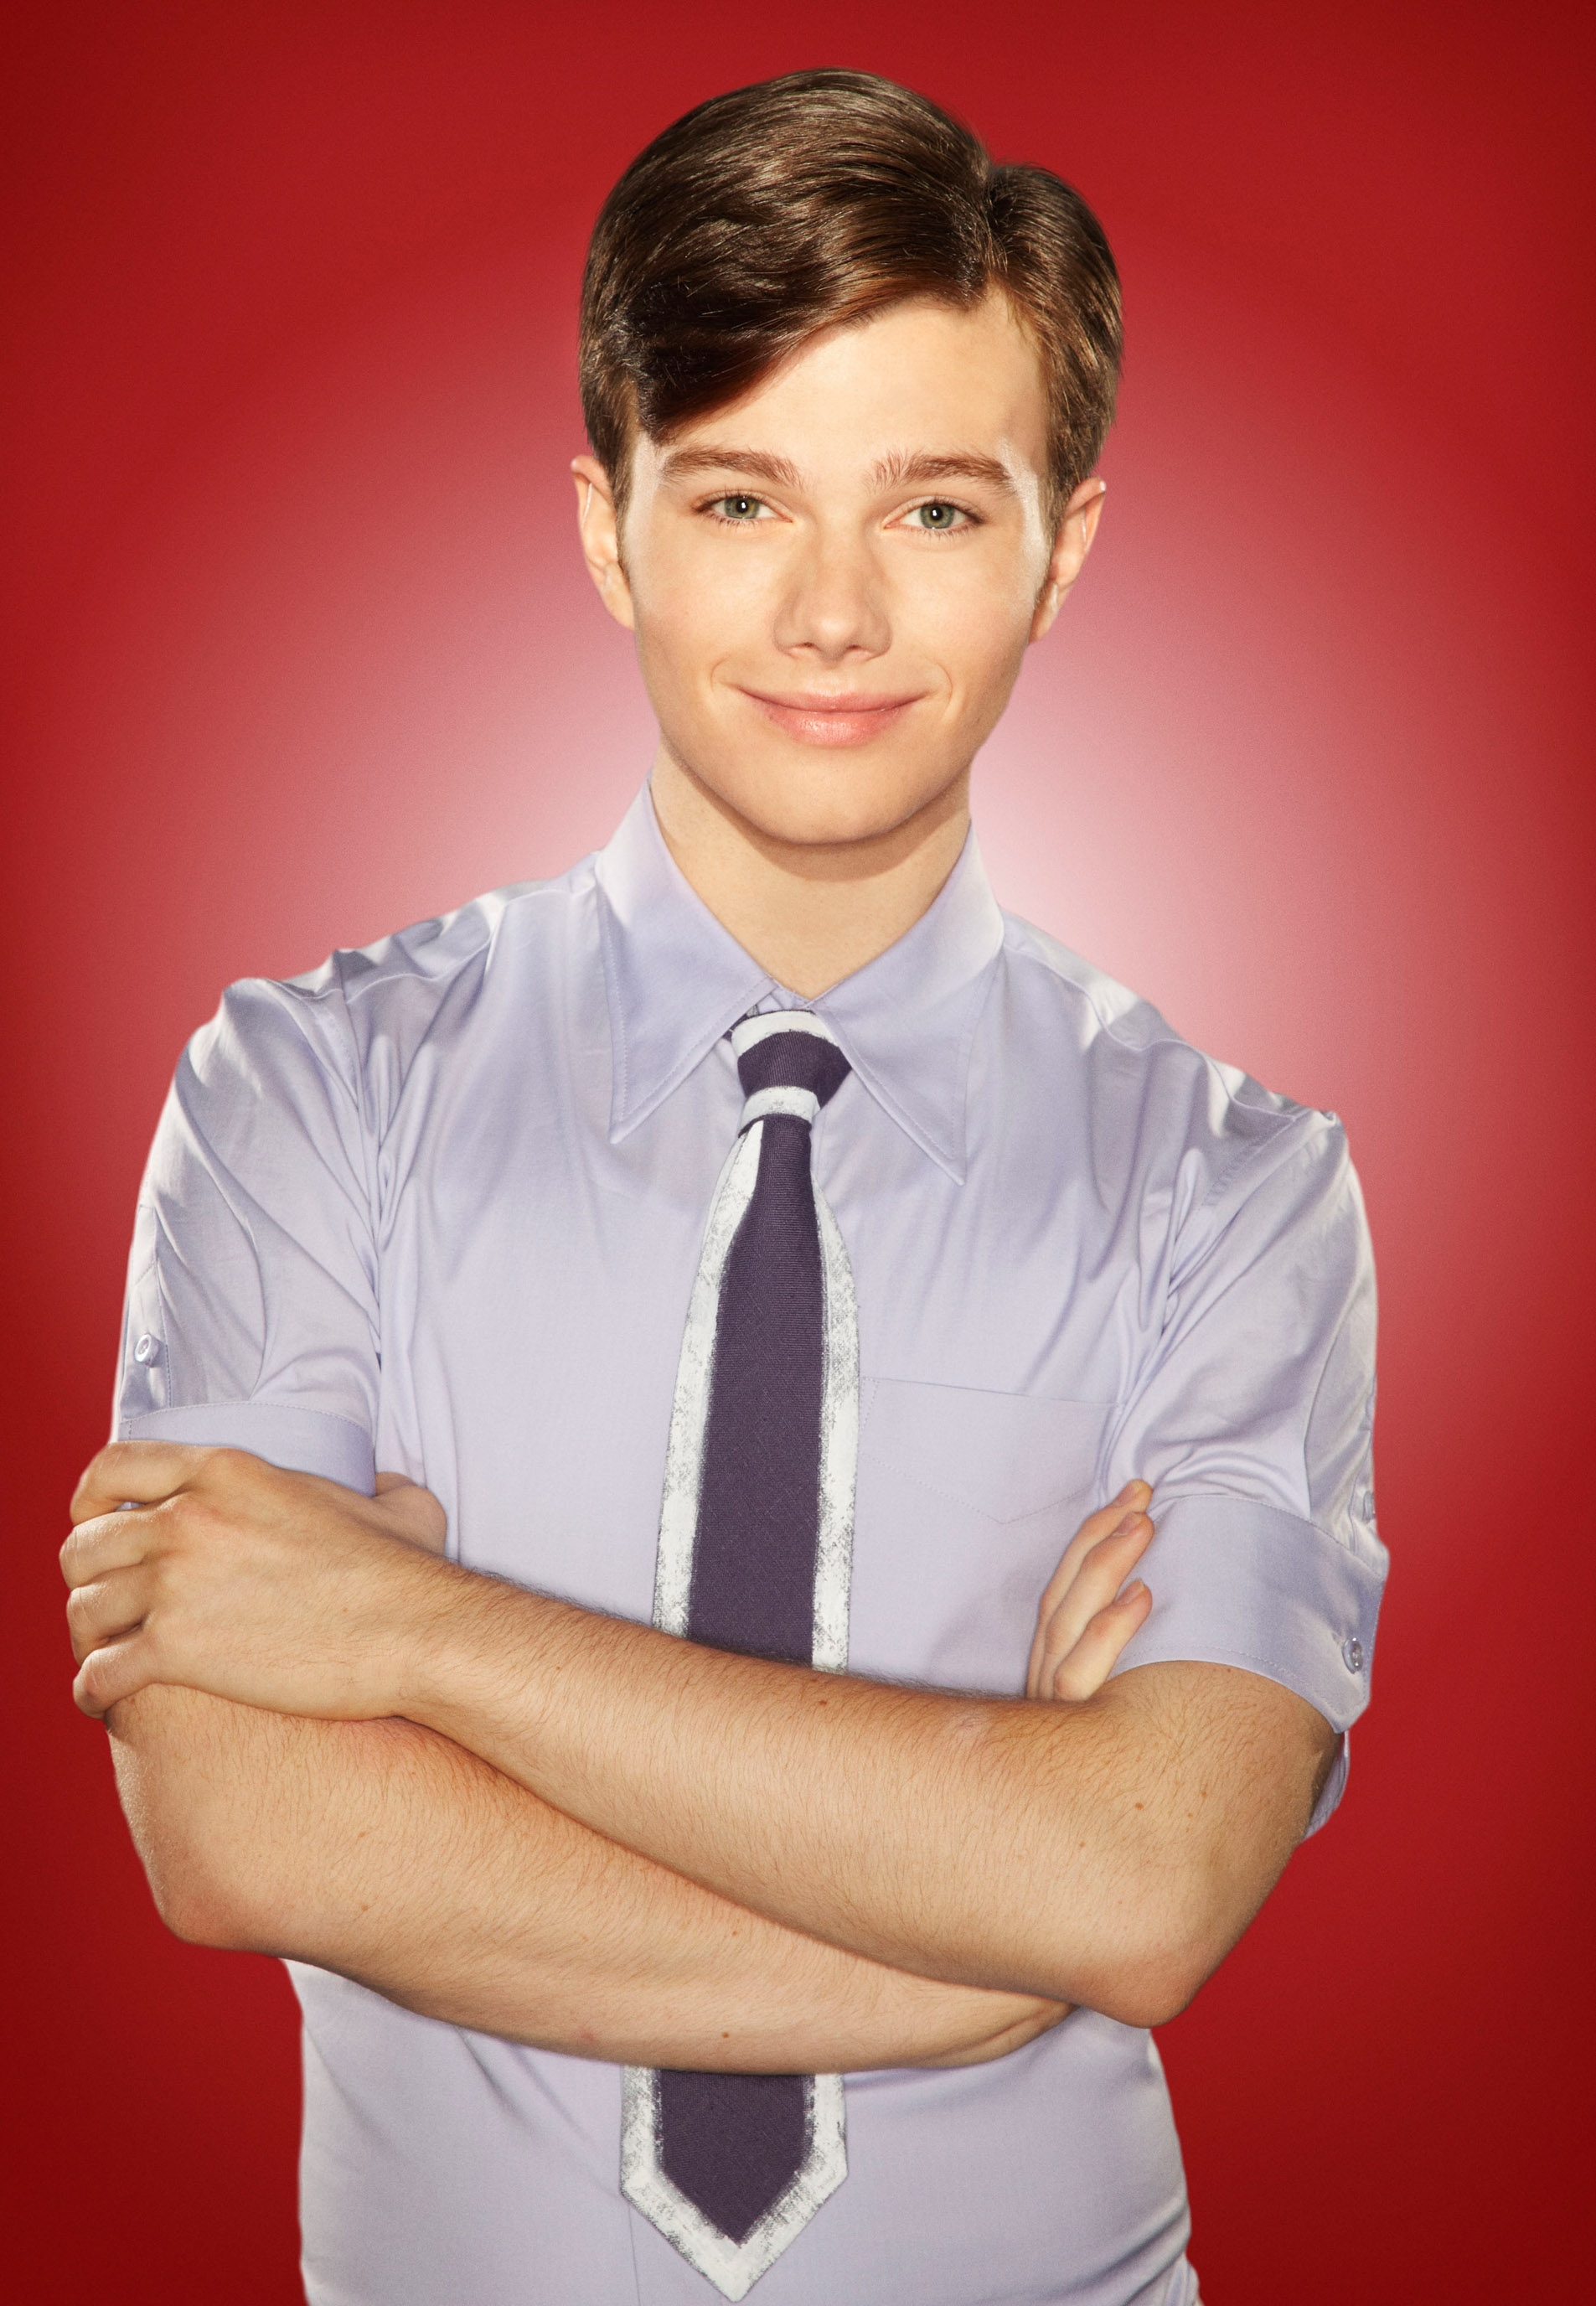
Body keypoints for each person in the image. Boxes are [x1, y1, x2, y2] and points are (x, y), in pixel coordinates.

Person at [61, 68, 1385, 2306]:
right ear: (608, 527)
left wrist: (406, 1632)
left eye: (938, 511)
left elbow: (1143, 1888)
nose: (836, 613)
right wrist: (979, 1926)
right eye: (745, 498)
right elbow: (242, 1822)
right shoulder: (303, 1092)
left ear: (1066, 544)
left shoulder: (1237, 1190)